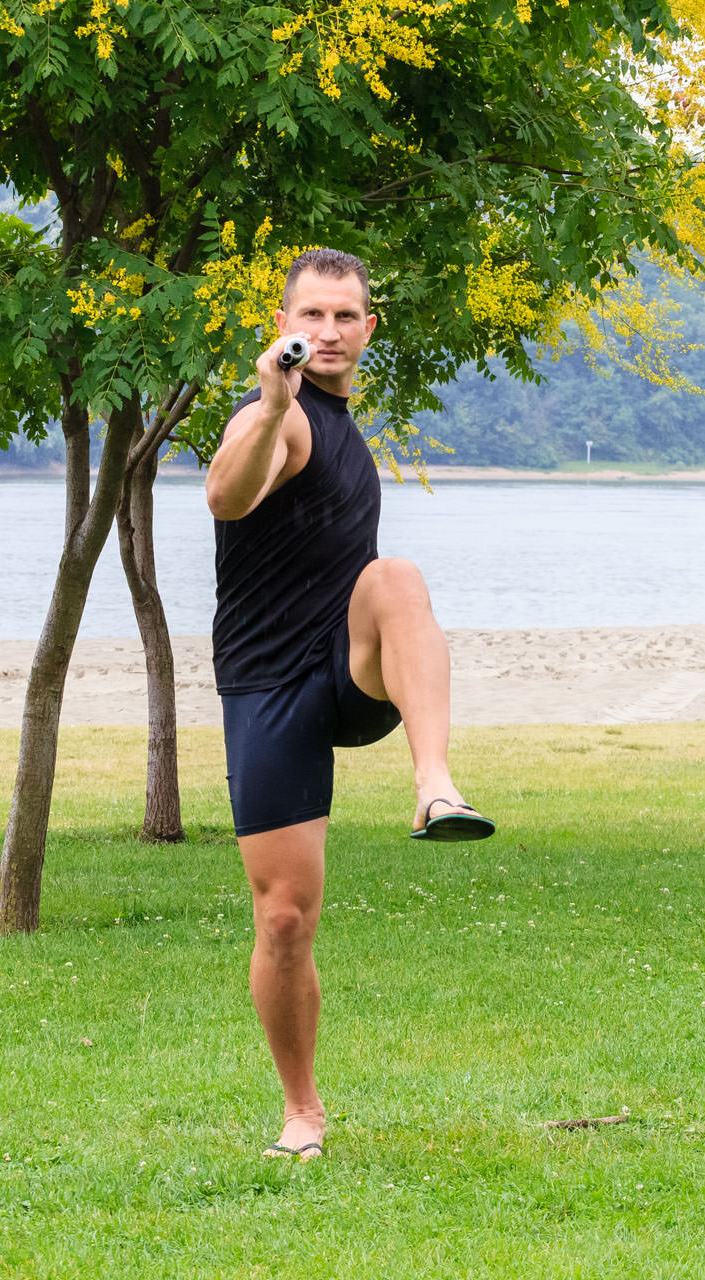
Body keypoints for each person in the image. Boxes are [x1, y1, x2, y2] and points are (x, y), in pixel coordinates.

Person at [205, 247, 495, 1162]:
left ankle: (436, 784)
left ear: (369, 328)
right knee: (285, 916)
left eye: (345, 316)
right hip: (266, 685)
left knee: (397, 575)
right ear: (283, 326)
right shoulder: (275, 417)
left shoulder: (348, 428)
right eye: (311, 317)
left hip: (345, 669)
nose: (327, 332)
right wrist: (272, 404)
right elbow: (226, 492)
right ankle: (303, 1113)